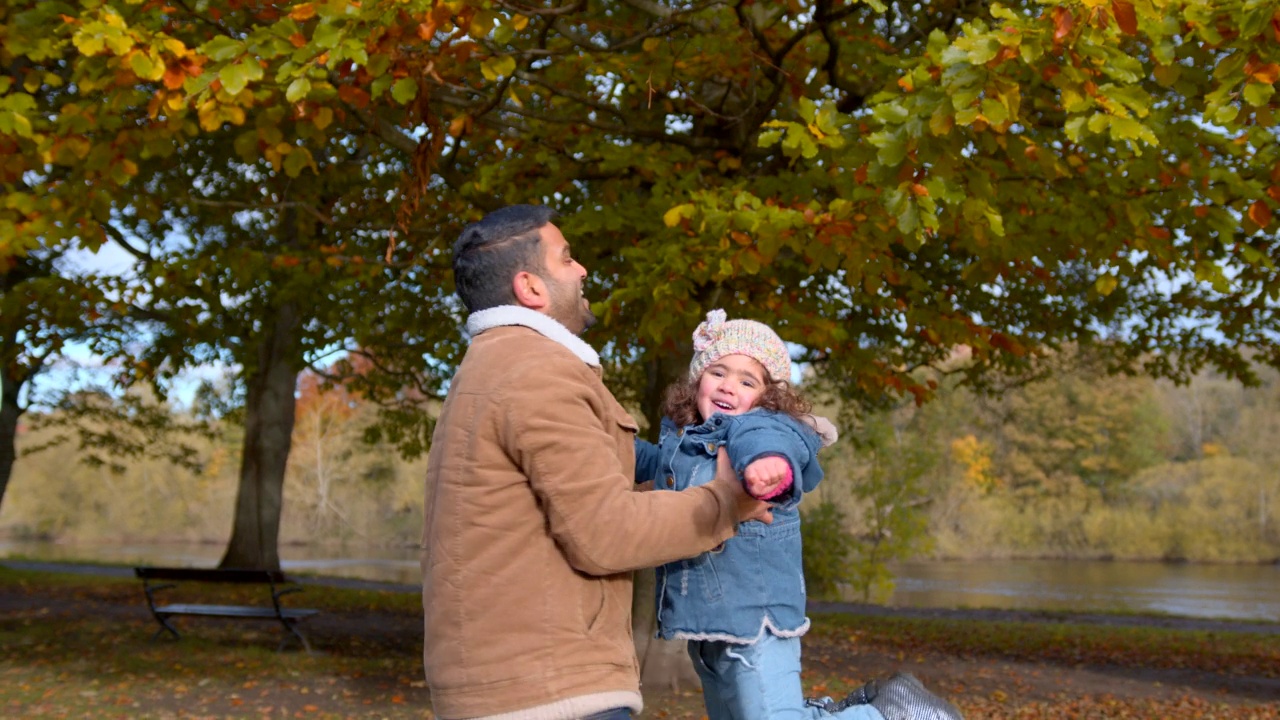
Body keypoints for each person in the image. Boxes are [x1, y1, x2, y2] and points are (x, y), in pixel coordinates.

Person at [420, 205, 773, 720]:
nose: (582, 270)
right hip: (546, 692)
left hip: (520, 684)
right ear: (530, 287)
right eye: (566, 259)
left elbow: (596, 495)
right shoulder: (537, 372)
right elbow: (607, 533)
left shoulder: (499, 365)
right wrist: (728, 500)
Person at [635, 310, 963, 720]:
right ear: (697, 380)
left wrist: (767, 465)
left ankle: (891, 713)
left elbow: (771, 443)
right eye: (717, 371)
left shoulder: (759, 428)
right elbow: (651, 462)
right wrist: (609, 446)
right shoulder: (683, 444)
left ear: (768, 398)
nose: (728, 385)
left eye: (746, 380)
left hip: (757, 622)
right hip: (709, 631)